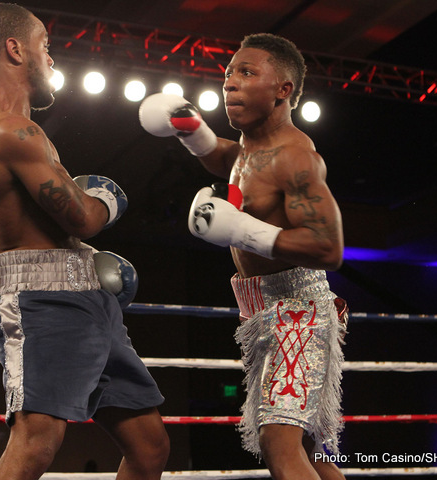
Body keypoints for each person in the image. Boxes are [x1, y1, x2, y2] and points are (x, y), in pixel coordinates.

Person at [0, 4, 169, 480]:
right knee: (35, 445)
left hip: (89, 300)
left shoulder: (25, 131)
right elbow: (84, 218)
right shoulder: (4, 131)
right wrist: (107, 198)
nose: (51, 59)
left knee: (150, 445)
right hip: (42, 304)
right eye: (45, 46)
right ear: (15, 49)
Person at [139, 33, 346, 479]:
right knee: (307, 449)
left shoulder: (295, 156)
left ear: (283, 90)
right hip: (261, 310)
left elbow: (328, 247)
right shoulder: (251, 147)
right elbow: (227, 159)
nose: (230, 83)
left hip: (298, 310)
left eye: (247, 73)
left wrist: (242, 230)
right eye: (229, 74)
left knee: (280, 443)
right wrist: (192, 132)